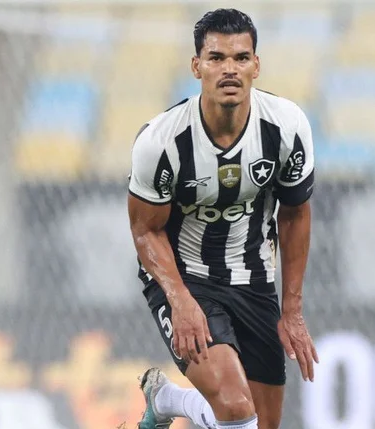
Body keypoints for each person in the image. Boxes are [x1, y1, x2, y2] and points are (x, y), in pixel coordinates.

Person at [127, 8, 318, 429]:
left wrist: (293, 310)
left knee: (260, 425)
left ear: (256, 65)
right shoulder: (161, 142)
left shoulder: (286, 127)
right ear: (197, 66)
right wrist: (180, 301)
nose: (229, 69)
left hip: (253, 278)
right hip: (185, 276)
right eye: (216, 58)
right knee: (234, 407)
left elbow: (295, 213)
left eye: (240, 58)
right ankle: (173, 396)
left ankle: (167, 398)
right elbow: (145, 229)